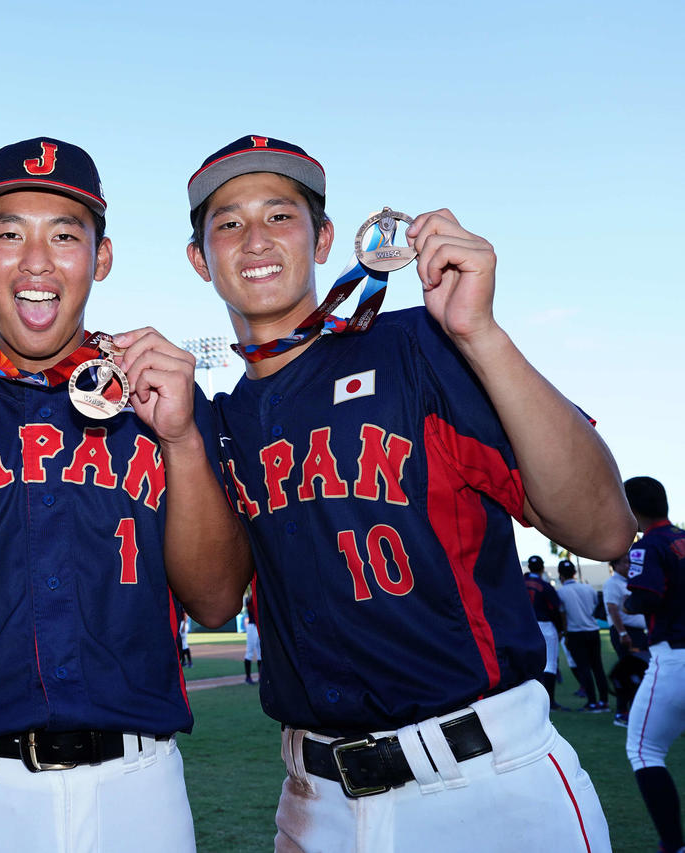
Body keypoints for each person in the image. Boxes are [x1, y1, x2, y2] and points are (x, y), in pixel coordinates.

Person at [186, 135, 634, 852]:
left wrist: (480, 333)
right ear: (200, 258)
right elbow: (212, 596)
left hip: (485, 783)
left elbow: (606, 530)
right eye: (229, 223)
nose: (255, 239)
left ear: (324, 236)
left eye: (280, 215)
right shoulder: (219, 421)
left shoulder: (417, 343)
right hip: (316, 800)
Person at [0, 137, 250, 852]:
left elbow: (216, 603)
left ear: (102, 257)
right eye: (8, 234)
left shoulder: (162, 396)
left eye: (65, 235)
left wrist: (181, 440)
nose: (36, 261)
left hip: (140, 785)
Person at [622, 476, 685, 853]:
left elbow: (644, 599)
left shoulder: (650, 545)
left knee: (644, 750)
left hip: (674, 655)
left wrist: (628, 602)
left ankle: (674, 845)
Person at [555, 558, 611, 712]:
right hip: (592, 631)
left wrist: (564, 635)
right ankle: (604, 701)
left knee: (584, 668)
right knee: (597, 667)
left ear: (561, 575)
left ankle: (592, 703)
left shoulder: (560, 592)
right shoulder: (588, 588)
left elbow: (563, 615)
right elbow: (594, 606)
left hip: (575, 633)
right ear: (574, 573)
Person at [605, 551, 649, 724]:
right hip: (626, 632)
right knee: (627, 672)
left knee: (639, 671)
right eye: (624, 562)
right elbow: (612, 609)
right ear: (615, 565)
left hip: (637, 632)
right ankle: (622, 713)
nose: (629, 565)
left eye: (630, 562)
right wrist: (623, 633)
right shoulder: (612, 583)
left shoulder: (629, 582)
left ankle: (634, 711)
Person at [523, 555, 565, 709]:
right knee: (550, 664)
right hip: (545, 625)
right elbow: (556, 609)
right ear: (542, 568)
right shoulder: (545, 586)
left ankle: (530, 702)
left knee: (527, 663)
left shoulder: (520, 582)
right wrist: (561, 629)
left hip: (525, 625)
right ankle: (550, 701)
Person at [244, 593, 261, 685]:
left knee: (260, 653)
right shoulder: (249, 598)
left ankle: (261, 676)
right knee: (249, 652)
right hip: (251, 627)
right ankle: (248, 677)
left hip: (259, 626)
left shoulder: (260, 597)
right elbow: (249, 600)